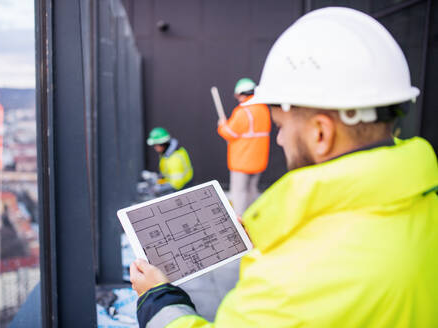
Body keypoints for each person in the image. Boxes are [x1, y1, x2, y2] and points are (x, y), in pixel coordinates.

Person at [130, 7, 438, 328]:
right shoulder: (427, 206)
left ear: (321, 134)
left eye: (282, 127)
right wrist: (269, 233)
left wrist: (158, 298)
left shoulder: (289, 283)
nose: (280, 140)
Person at [217, 78, 271, 215]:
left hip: (242, 161)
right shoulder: (264, 109)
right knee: (252, 191)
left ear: (241, 93)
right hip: (258, 160)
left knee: (239, 194)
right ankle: (253, 220)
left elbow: (229, 133)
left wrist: (222, 125)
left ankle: (239, 222)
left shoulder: (242, 111)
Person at [146, 127, 193, 195]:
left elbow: (176, 184)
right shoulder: (167, 153)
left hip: (182, 190)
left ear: (163, 143)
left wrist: (159, 189)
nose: (155, 148)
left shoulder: (174, 159)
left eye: (156, 145)